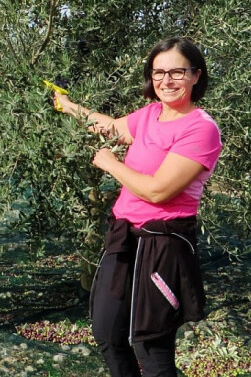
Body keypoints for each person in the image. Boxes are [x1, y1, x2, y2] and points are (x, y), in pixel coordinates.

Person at [52, 37, 222, 377]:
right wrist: (67, 105)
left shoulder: (201, 129)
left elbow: (158, 191)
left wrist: (110, 164)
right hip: (124, 238)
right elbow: (111, 127)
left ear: (196, 76)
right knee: (107, 332)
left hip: (163, 245)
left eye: (177, 72)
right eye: (158, 72)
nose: (166, 80)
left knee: (151, 345)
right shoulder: (150, 114)